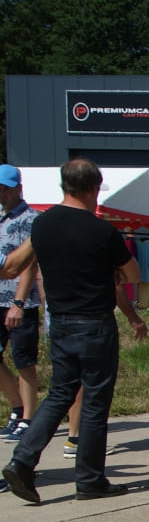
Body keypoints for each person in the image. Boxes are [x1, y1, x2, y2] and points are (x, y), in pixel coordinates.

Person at [1, 158, 147, 503]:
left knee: (58, 394)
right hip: (95, 325)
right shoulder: (103, 231)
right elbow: (134, 274)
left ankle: (22, 461)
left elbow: (11, 267)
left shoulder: (43, 225)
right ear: (93, 188)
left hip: (61, 323)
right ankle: (90, 479)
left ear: (64, 186)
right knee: (95, 401)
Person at [0, 165, 42, 453]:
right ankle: (16, 407)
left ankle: (29, 416)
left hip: (20, 302)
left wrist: (19, 301)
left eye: (4, 187)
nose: (0, 192)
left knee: (23, 360)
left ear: (18, 187)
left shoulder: (31, 220)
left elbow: (30, 264)